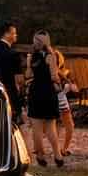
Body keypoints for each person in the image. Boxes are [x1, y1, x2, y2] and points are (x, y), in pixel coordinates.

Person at [27, 30, 65, 167]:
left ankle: (41, 156)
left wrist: (28, 65)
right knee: (51, 127)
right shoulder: (51, 56)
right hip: (48, 92)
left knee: (36, 127)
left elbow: (28, 75)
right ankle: (57, 155)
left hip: (36, 91)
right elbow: (54, 76)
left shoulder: (32, 56)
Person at [0, 22, 26, 127]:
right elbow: (19, 80)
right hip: (10, 92)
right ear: (7, 34)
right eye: (14, 33)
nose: (16, 35)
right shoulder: (13, 54)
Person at [53, 45, 76, 158]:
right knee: (69, 126)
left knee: (57, 127)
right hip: (60, 102)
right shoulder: (59, 74)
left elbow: (73, 88)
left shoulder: (63, 73)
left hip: (56, 101)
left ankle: (59, 149)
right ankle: (62, 149)